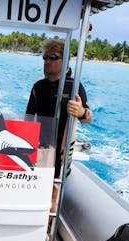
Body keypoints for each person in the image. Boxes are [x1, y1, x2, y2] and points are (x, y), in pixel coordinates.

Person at [26, 39, 93, 180]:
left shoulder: (74, 86)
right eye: (45, 57)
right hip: (41, 149)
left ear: (64, 62)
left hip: (62, 152)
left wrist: (81, 112)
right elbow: (28, 119)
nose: (47, 61)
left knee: (54, 189)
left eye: (53, 57)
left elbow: (88, 118)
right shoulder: (38, 87)